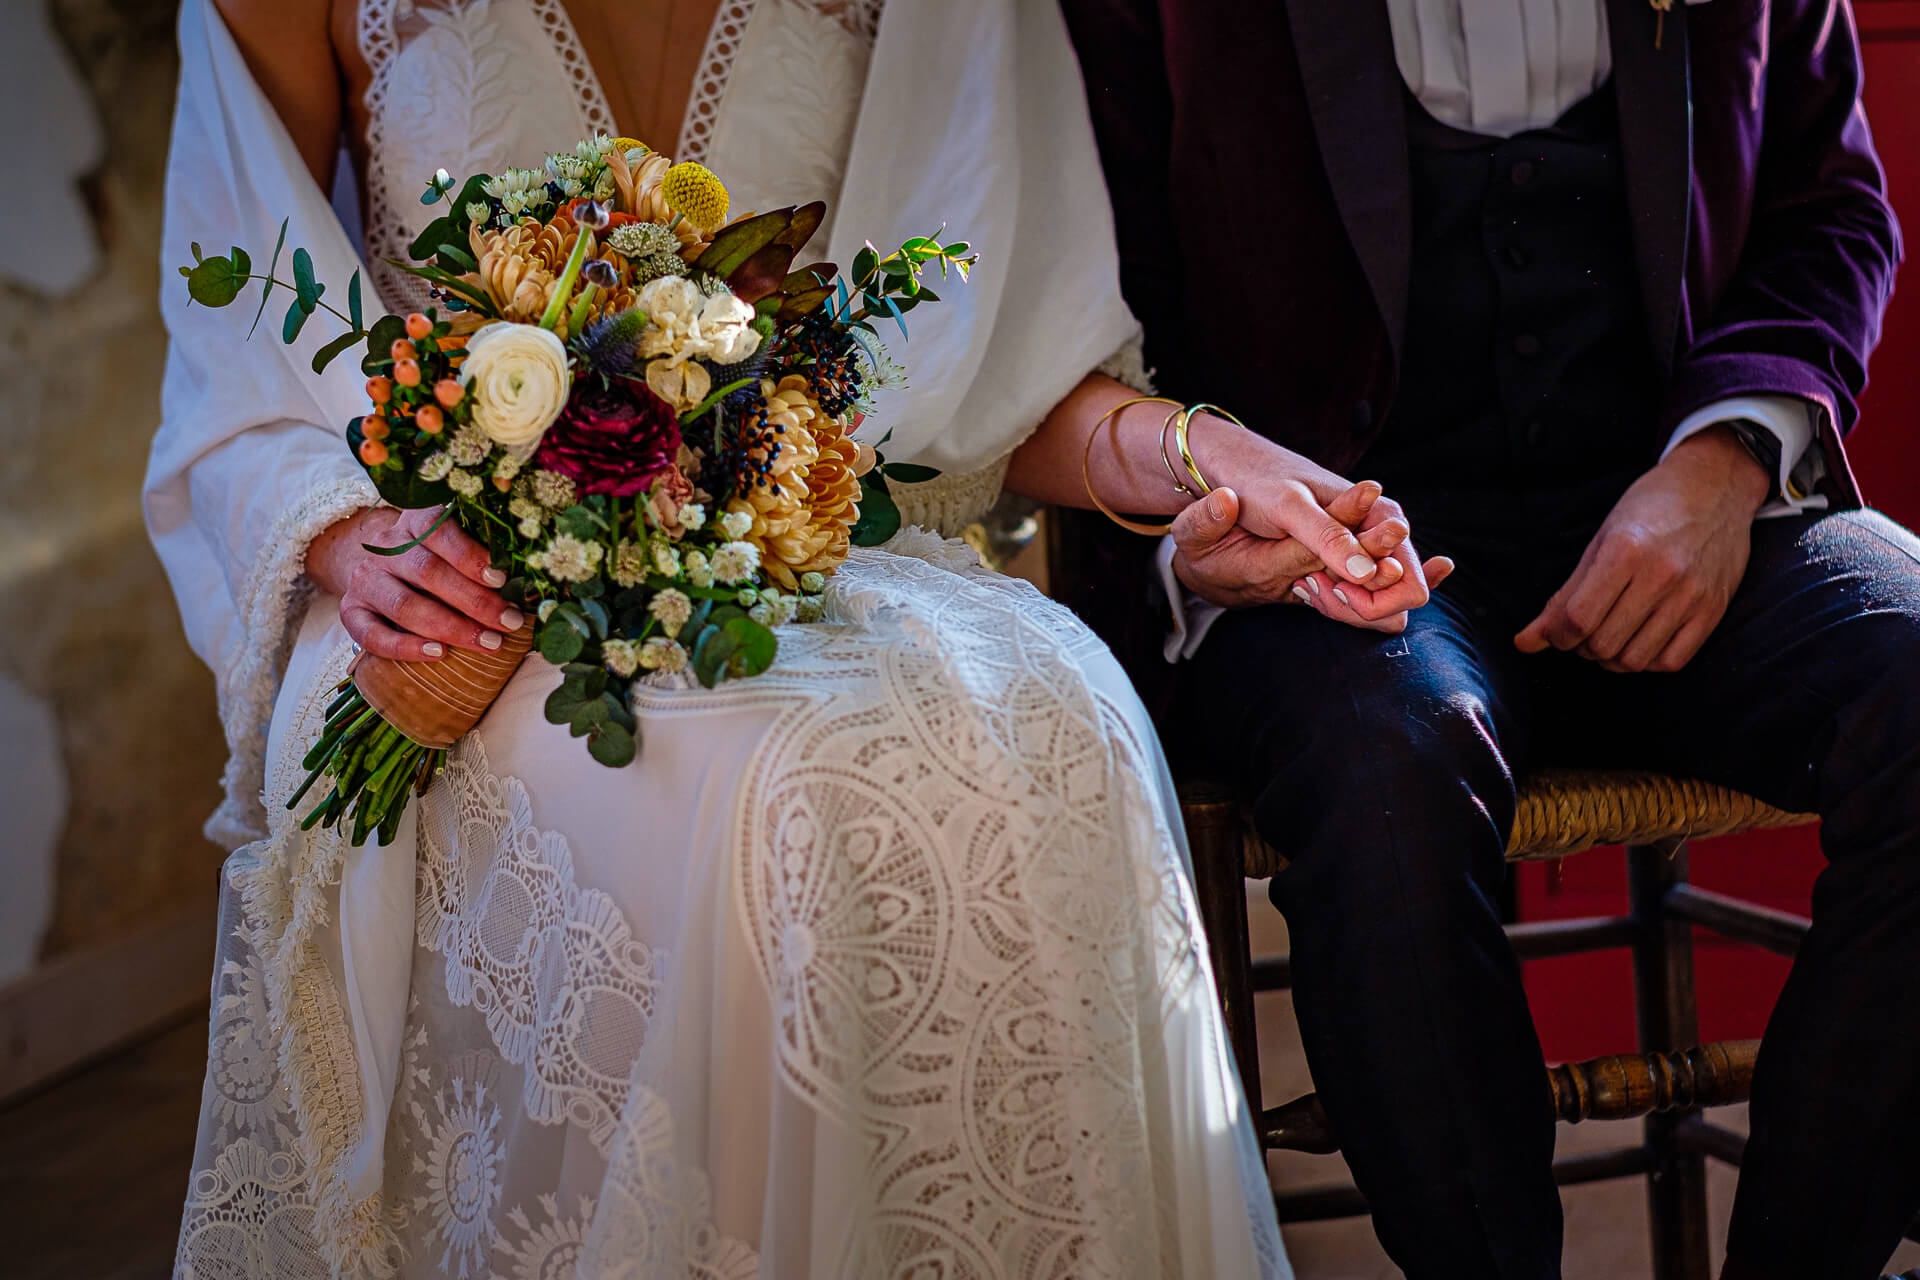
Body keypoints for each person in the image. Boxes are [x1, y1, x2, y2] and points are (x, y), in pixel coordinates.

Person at [149, 0, 1461, 1273]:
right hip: (460, 581)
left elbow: (1001, 373)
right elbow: (232, 348)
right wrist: (348, 534)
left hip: (803, 547)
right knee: (779, 792)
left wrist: (1208, 455)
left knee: (1064, 714)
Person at [1059, 0, 1920, 1276]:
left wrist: (1728, 457)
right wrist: (1213, 521)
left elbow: (1832, 209)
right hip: (1330, 540)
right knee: (1387, 765)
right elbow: (1086, 306)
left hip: (1684, 494)